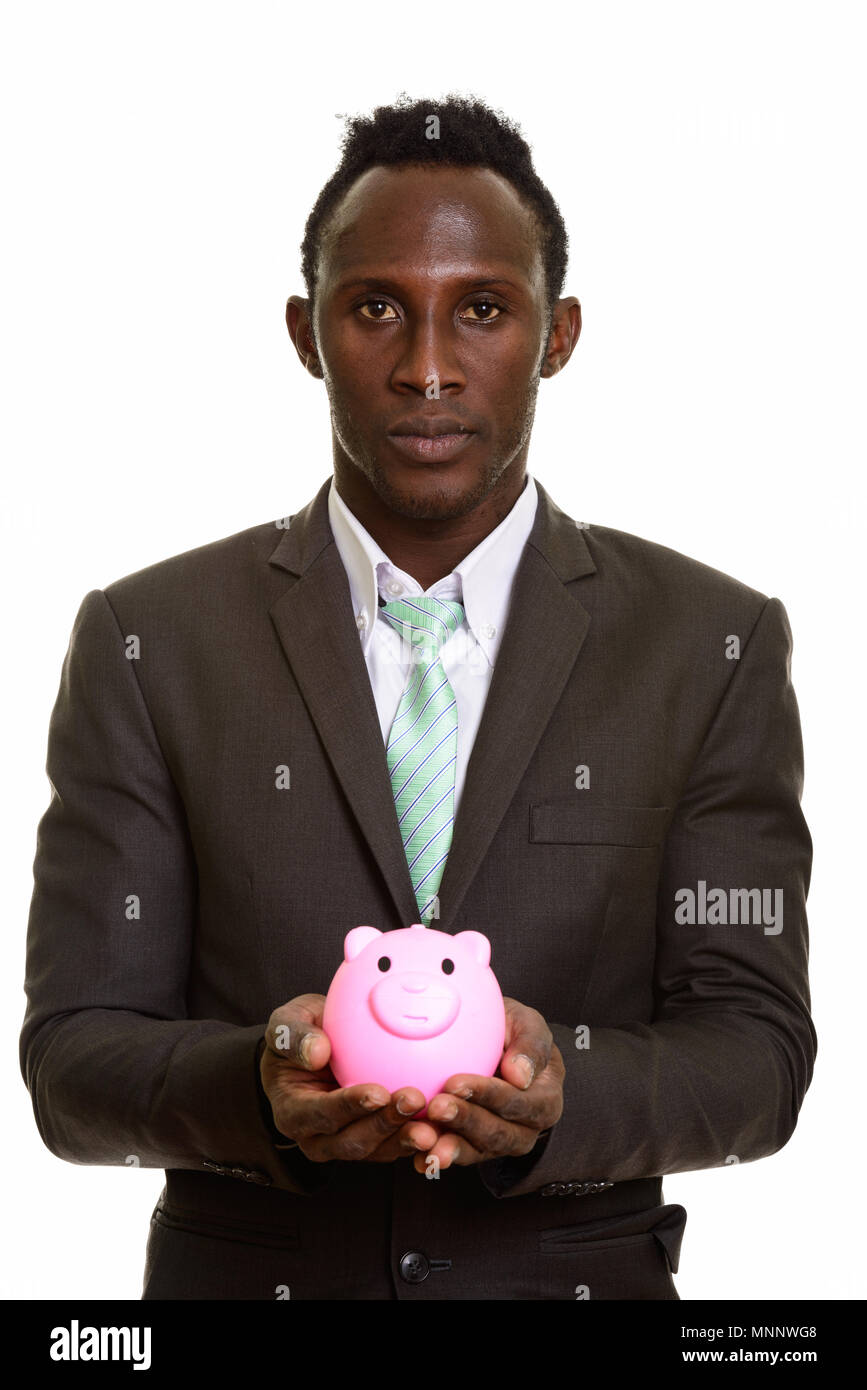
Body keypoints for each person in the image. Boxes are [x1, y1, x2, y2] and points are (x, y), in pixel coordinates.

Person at [20, 94, 816, 1301]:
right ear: (306, 332)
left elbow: (758, 1055)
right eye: (377, 307)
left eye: (483, 309)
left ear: (559, 335)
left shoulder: (710, 644)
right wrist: (261, 1088)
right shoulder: (151, 642)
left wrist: (565, 1096)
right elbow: (73, 1060)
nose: (428, 365)